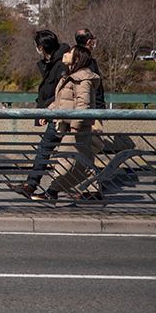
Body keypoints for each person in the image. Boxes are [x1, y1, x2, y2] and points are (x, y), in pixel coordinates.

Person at [33, 44, 105, 201]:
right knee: (84, 161)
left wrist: (75, 126)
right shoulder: (73, 76)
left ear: (77, 58)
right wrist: (48, 113)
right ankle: (92, 192)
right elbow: (62, 101)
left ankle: (52, 192)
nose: (66, 54)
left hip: (78, 127)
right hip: (73, 126)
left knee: (65, 159)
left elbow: (83, 104)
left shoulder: (83, 79)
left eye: (70, 52)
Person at [7, 29, 70, 198]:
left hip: (59, 115)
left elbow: (61, 93)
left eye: (36, 44)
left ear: (41, 47)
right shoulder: (52, 62)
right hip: (55, 114)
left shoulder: (61, 64)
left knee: (47, 149)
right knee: (56, 151)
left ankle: (35, 186)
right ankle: (38, 187)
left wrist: (48, 113)